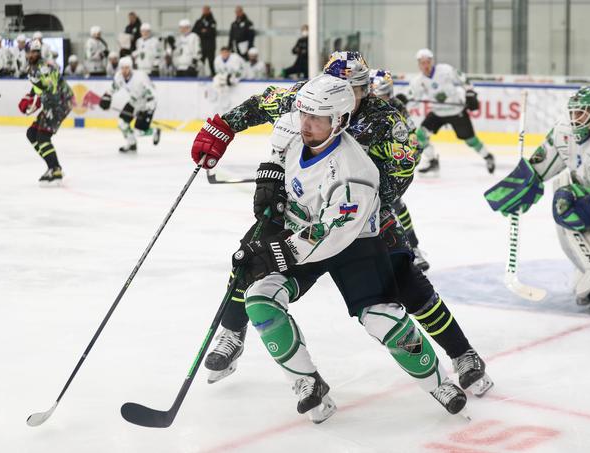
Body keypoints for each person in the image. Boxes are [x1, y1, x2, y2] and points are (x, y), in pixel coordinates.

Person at [192, 51, 493, 399]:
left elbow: (402, 170)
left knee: (407, 283)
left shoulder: (384, 120)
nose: (343, 93)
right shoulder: (312, 96)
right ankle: (232, 332)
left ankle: (461, 352)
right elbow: (264, 104)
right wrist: (225, 128)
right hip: (302, 210)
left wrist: (357, 203)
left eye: (355, 88)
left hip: (362, 218)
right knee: (249, 260)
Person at [485, 87, 590, 305]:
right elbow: (541, 164)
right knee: (563, 202)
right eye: (574, 113)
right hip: (582, 190)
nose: (576, 119)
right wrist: (519, 185)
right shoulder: (563, 131)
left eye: (582, 113)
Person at [369, 68, 429, 272]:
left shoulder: (397, 107)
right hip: (362, 165)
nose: (382, 99)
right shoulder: (361, 106)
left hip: (385, 165)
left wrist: (414, 151)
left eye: (386, 95)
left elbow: (412, 136)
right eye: (378, 95)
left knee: (395, 205)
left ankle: (414, 248)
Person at [408, 48, 494, 174]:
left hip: (456, 111)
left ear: (432, 61)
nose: (425, 65)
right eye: (422, 63)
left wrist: (470, 92)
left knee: (470, 140)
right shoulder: (417, 81)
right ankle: (432, 161)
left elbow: (464, 79)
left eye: (427, 62)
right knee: (420, 135)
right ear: (419, 64)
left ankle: (488, 157)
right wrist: (405, 101)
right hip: (437, 113)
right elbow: (414, 101)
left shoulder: (446, 70)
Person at [18, 40, 73, 184]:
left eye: (35, 52)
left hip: (59, 103)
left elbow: (51, 89)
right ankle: (52, 166)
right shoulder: (33, 68)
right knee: (32, 134)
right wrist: (30, 97)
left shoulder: (45, 67)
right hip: (52, 103)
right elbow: (39, 87)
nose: (32, 55)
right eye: (30, 52)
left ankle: (55, 169)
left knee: (42, 137)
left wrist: (35, 103)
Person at [98, 56, 161, 153]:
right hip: (133, 101)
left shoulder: (140, 77)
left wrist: (147, 110)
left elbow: (152, 94)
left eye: (127, 68)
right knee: (122, 123)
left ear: (131, 68)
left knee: (139, 131)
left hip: (147, 103)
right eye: (122, 68)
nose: (124, 70)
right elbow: (113, 88)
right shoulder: (119, 77)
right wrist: (106, 96)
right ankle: (131, 144)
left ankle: (155, 131)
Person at [194, 5, 217, 76]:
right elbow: (194, 31)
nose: (205, 11)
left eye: (206, 10)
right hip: (201, 46)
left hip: (210, 46)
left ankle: (213, 75)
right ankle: (199, 76)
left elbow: (212, 33)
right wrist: (202, 31)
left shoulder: (212, 21)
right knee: (200, 63)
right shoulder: (199, 21)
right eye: (204, 10)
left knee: (211, 62)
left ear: (209, 11)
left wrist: (205, 31)